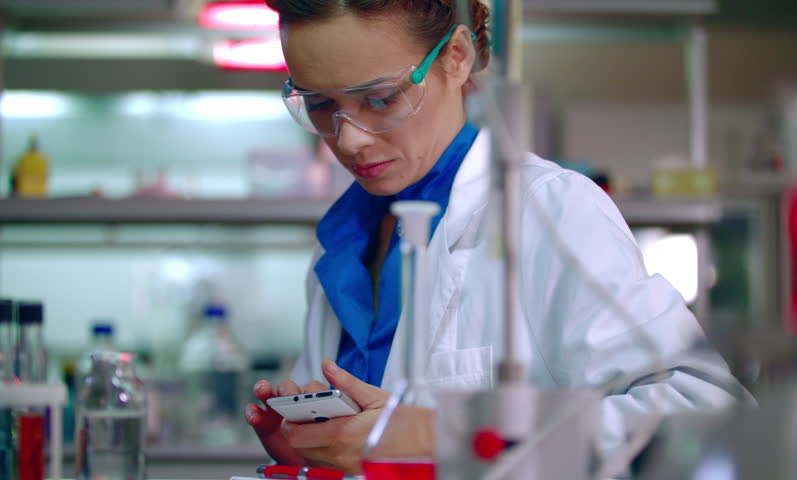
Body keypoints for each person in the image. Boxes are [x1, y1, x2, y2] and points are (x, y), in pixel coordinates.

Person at [245, 0, 749, 474]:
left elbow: (703, 413)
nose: (349, 137)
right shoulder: (341, 243)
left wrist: (441, 439)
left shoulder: (547, 210)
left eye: (380, 98)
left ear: (456, 58)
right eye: (318, 104)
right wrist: (313, 452)